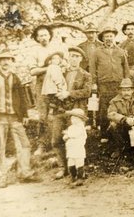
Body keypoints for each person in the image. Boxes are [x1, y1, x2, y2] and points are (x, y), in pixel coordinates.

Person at [0, 51, 40, 188]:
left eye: (8, 59)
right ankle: (2, 176)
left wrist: (25, 115)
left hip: (15, 117)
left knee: (24, 144)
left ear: (11, 62)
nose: (5, 62)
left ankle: (24, 173)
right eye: (2, 60)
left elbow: (22, 98)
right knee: (0, 147)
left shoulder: (15, 78)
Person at [51, 47, 92, 179]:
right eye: (72, 56)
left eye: (77, 56)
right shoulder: (61, 72)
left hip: (76, 111)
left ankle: (79, 168)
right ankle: (63, 167)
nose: (74, 59)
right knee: (56, 139)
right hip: (60, 109)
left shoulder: (86, 75)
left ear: (81, 59)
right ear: (68, 58)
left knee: (76, 140)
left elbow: (87, 92)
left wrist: (69, 93)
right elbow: (52, 89)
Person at [29, 25, 68, 156]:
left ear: (49, 35)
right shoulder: (34, 52)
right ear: (37, 38)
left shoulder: (57, 49)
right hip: (42, 86)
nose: (43, 38)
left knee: (58, 113)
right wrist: (50, 68)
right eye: (40, 35)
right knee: (43, 116)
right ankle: (42, 144)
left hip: (56, 85)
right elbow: (33, 71)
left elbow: (65, 64)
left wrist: (58, 68)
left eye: (45, 34)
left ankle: (57, 143)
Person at [90, 27, 129, 143]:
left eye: (111, 36)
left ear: (114, 37)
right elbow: (92, 69)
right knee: (104, 108)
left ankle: (121, 132)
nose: (109, 38)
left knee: (120, 107)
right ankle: (104, 134)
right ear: (102, 38)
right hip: (104, 84)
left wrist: (126, 82)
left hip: (118, 84)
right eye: (106, 36)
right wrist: (94, 83)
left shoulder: (121, 51)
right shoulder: (97, 52)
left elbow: (126, 68)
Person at [107, 78, 134, 158]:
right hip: (123, 126)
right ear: (120, 91)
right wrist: (124, 119)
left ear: (132, 91)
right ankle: (119, 147)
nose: (126, 93)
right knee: (113, 125)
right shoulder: (114, 101)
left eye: (128, 90)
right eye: (124, 90)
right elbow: (110, 114)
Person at [63, 108, 88, 186]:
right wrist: (65, 136)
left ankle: (80, 178)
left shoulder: (81, 128)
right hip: (71, 149)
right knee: (71, 164)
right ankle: (73, 177)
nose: (73, 120)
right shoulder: (71, 127)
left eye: (76, 118)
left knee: (79, 163)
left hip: (78, 148)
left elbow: (74, 134)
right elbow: (65, 137)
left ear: (81, 120)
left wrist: (67, 135)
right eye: (72, 118)